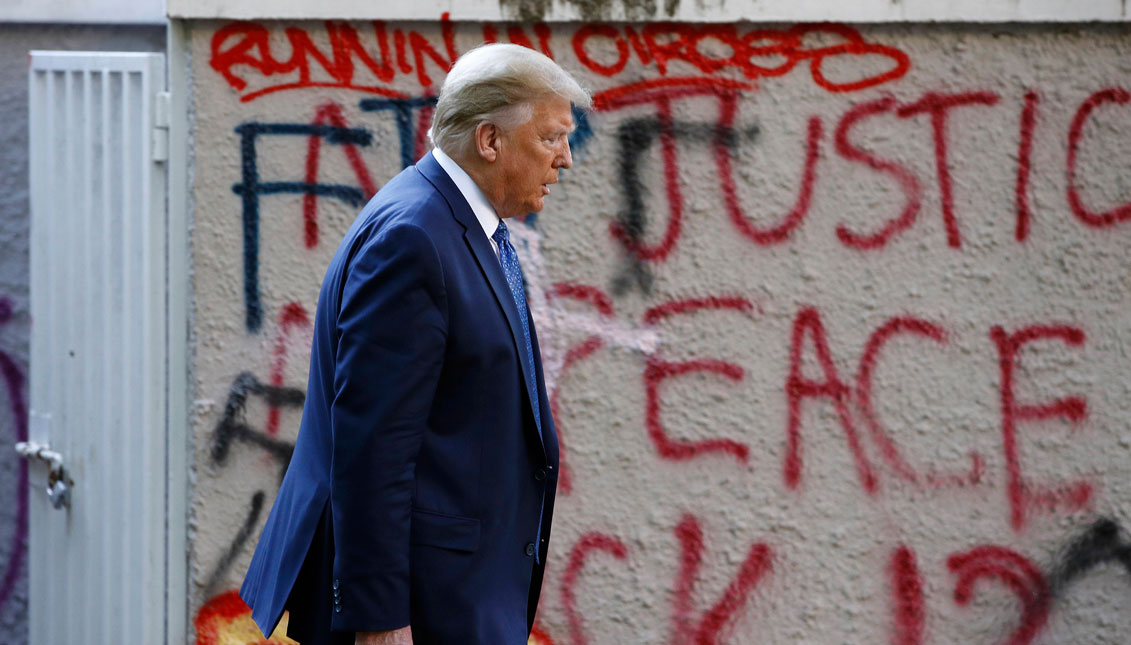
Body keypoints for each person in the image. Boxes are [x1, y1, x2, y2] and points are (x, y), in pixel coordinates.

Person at [239, 43, 591, 645]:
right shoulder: (414, 239)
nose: (564, 159)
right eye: (551, 138)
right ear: (489, 140)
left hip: (455, 590)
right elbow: (372, 445)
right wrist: (379, 620)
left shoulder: (452, 221)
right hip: (419, 608)